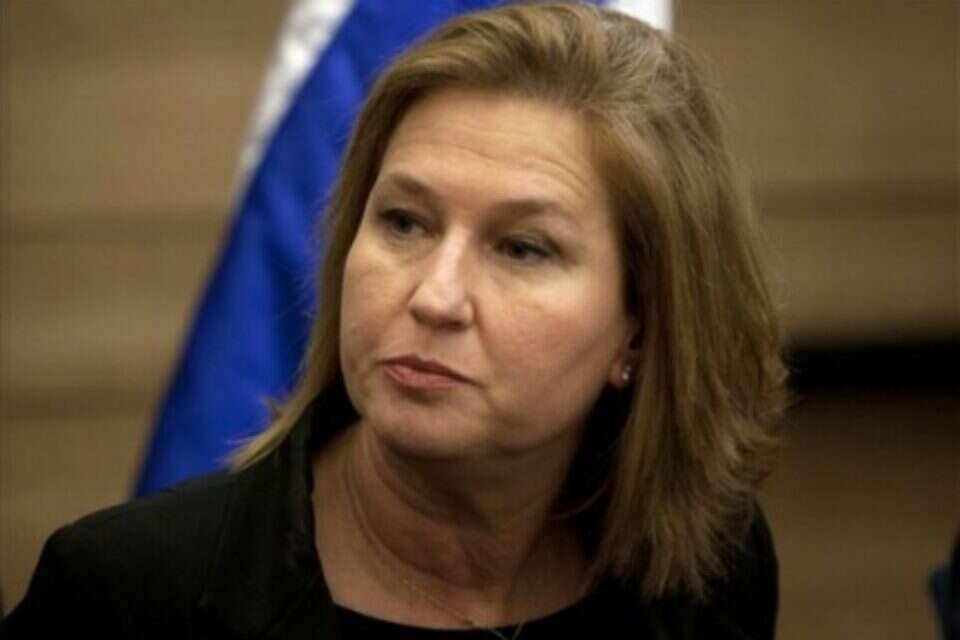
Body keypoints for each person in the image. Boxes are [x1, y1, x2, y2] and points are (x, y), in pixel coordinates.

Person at [4, 3, 787, 638]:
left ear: (641, 325)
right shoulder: (124, 597)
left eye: (522, 248)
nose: (434, 298)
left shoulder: (709, 573)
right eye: (405, 222)